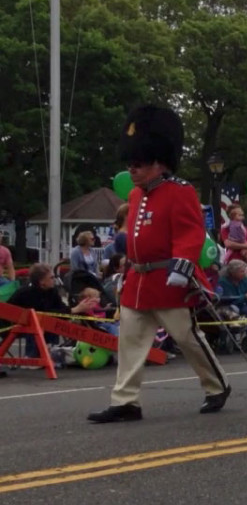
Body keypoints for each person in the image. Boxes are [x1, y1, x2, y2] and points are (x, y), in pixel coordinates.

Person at [86, 105, 230, 423]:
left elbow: (191, 232)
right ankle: (126, 400)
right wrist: (127, 271)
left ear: (158, 162)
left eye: (138, 163)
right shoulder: (135, 197)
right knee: (130, 341)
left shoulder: (180, 192)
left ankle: (217, 385)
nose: (132, 169)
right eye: (130, 163)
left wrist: (182, 265)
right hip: (139, 282)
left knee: (187, 338)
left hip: (169, 280)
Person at [217, 259, 247, 343]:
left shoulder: (246, 280)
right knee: (234, 308)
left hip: (242, 304)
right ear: (233, 272)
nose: (245, 273)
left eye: (245, 270)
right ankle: (236, 334)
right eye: (242, 271)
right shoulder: (223, 282)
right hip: (228, 307)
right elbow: (230, 301)